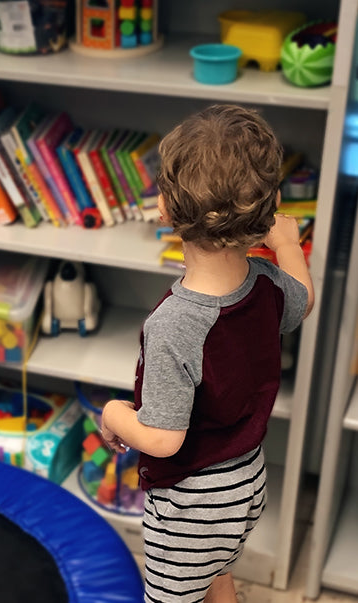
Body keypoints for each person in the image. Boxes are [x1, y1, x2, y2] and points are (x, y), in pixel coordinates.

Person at [101, 104, 314, 603]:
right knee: (219, 570)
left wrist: (114, 412)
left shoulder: (173, 324)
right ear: (269, 209)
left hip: (192, 505)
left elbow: (163, 440)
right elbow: (304, 299)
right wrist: (288, 246)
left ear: (167, 211)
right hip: (246, 485)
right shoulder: (267, 286)